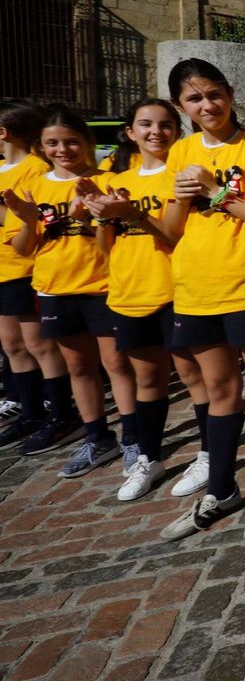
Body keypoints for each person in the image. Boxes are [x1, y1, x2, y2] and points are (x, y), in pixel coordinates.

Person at [158, 59, 245, 542]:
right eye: (194, 99)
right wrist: (162, 204)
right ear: (181, 107)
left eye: (214, 95)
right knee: (219, 393)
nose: (207, 106)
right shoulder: (181, 152)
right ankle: (221, 488)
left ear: (231, 94)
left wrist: (219, 193)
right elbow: (172, 231)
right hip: (196, 292)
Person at [3, 105, 138, 480]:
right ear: (42, 147)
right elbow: (23, 248)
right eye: (53, 144)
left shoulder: (109, 179)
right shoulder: (33, 186)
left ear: (88, 142)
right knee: (78, 367)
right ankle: (96, 436)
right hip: (53, 288)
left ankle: (133, 438)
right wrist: (30, 218)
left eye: (72, 142)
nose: (63, 150)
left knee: (115, 365)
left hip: (103, 285)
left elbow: (109, 244)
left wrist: (92, 214)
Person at [86, 98, 209, 501]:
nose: (156, 132)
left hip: (176, 289)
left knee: (192, 375)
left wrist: (134, 213)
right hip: (129, 291)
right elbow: (106, 246)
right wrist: (104, 214)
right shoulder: (116, 180)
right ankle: (149, 457)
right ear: (130, 131)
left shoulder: (181, 178)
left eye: (166, 124)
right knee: (147, 378)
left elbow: (173, 235)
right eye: (146, 124)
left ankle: (209, 452)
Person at [0, 99, 72, 455]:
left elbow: (39, 220)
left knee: (39, 346)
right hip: (1, 271)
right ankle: (28, 413)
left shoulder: (32, 168)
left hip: (22, 269)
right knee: (12, 346)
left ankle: (60, 414)